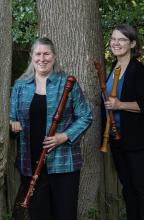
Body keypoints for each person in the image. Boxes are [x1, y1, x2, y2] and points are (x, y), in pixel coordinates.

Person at [10, 37, 92, 220]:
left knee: (65, 215)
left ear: (54, 56)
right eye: (38, 54)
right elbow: (11, 117)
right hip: (31, 165)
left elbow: (86, 115)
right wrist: (12, 123)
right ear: (32, 57)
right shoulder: (20, 87)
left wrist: (64, 136)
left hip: (64, 164)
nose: (42, 58)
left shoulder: (67, 84)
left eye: (46, 54)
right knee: (38, 215)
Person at [102, 24, 144, 220]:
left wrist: (121, 104)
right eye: (114, 39)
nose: (116, 43)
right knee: (128, 188)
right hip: (117, 139)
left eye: (122, 39)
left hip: (137, 139)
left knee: (141, 187)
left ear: (132, 44)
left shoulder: (137, 70)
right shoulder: (113, 67)